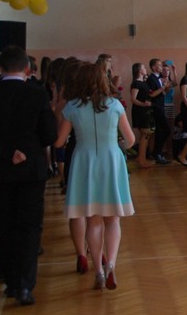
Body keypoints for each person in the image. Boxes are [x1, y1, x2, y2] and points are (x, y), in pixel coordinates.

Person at [0, 46, 57, 306]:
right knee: (28, 226)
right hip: (30, 169)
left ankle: (4, 272)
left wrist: (4, 151)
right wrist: (26, 149)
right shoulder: (37, 94)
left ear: (0, 67)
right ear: (27, 68)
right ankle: (24, 285)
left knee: (0, 222)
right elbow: (49, 134)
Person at [54, 61, 136, 292]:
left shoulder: (72, 107)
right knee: (113, 219)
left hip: (84, 161)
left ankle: (98, 270)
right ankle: (111, 264)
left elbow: (59, 142)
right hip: (111, 160)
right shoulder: (114, 105)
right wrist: (117, 145)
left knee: (93, 219)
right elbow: (131, 140)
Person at [146, 59, 171, 164]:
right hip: (156, 108)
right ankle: (157, 152)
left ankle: (158, 153)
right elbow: (151, 94)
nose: (161, 67)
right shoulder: (151, 78)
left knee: (161, 130)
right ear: (153, 67)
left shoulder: (158, 78)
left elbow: (162, 93)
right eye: (159, 65)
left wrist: (166, 87)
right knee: (166, 129)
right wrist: (163, 87)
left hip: (161, 106)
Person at [129, 63, 153, 168]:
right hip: (140, 111)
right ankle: (141, 159)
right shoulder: (136, 83)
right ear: (139, 70)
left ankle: (141, 157)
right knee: (145, 133)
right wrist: (143, 104)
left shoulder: (143, 82)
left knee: (146, 134)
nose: (145, 69)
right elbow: (133, 99)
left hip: (146, 111)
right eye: (143, 68)